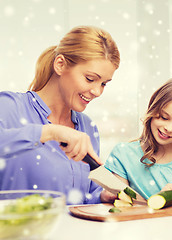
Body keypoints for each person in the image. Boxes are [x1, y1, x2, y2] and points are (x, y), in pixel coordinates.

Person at [0, 26, 120, 204]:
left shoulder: (88, 127)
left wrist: (100, 196)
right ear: (60, 64)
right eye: (90, 79)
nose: (97, 91)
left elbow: (80, 199)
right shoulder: (10, 107)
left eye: (104, 83)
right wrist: (50, 132)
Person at [104, 76, 172, 200]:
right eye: (163, 117)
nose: (169, 128)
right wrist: (161, 198)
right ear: (153, 108)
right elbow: (123, 203)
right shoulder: (123, 154)